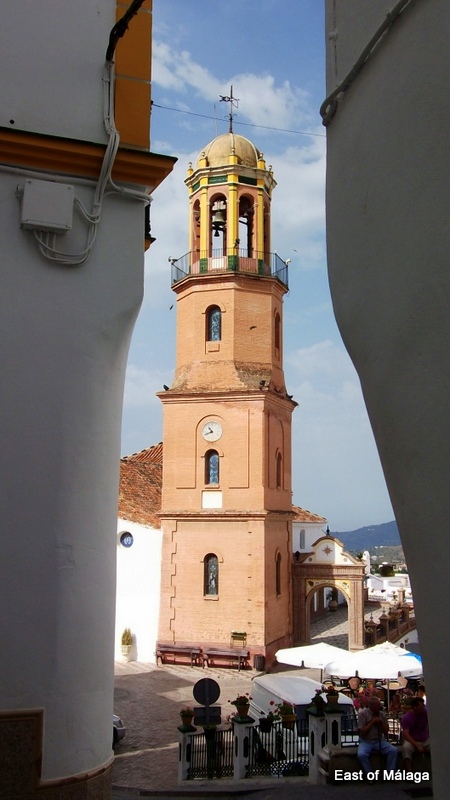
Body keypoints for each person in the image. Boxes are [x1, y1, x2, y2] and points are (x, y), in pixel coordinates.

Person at [357, 697, 398, 779]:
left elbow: (386, 730)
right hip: (366, 741)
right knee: (361, 755)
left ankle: (390, 774)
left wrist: (381, 723)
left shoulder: (381, 714)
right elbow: (362, 731)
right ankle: (370, 775)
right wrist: (372, 722)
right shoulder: (363, 714)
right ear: (371, 706)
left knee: (393, 750)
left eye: (379, 706)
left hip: (379, 740)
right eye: (377, 706)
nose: (379, 707)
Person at [401, 697, 430, 770]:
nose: (423, 707)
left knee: (437, 746)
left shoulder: (425, 713)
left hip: (425, 739)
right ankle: (409, 771)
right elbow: (406, 734)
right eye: (421, 705)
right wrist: (417, 745)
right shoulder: (406, 718)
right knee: (406, 748)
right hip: (413, 740)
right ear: (415, 707)